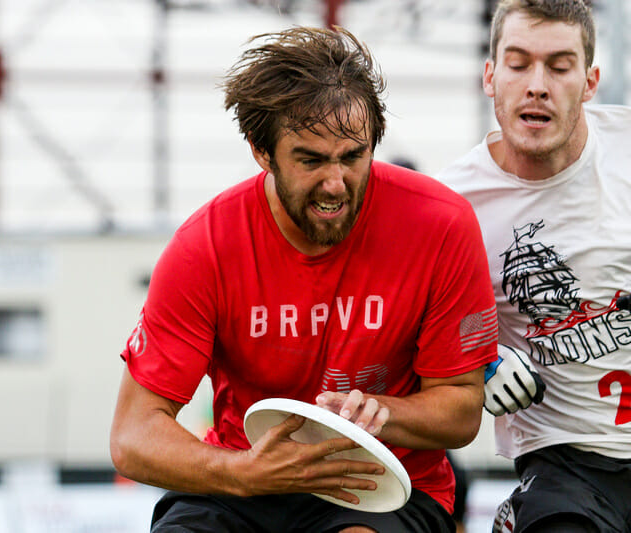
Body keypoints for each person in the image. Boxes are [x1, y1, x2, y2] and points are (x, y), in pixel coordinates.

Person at [110, 26, 499, 533]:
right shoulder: (204, 247)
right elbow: (132, 436)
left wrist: (381, 412)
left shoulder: (441, 223)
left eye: (353, 157)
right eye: (311, 160)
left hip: (377, 484)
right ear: (261, 151)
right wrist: (242, 472)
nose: (335, 183)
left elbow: (463, 411)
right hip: (241, 483)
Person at [438, 1, 631, 532]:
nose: (538, 85)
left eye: (560, 65)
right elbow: (408, 339)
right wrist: (481, 365)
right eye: (519, 63)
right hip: (562, 464)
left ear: (590, 81)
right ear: (490, 75)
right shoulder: (452, 203)